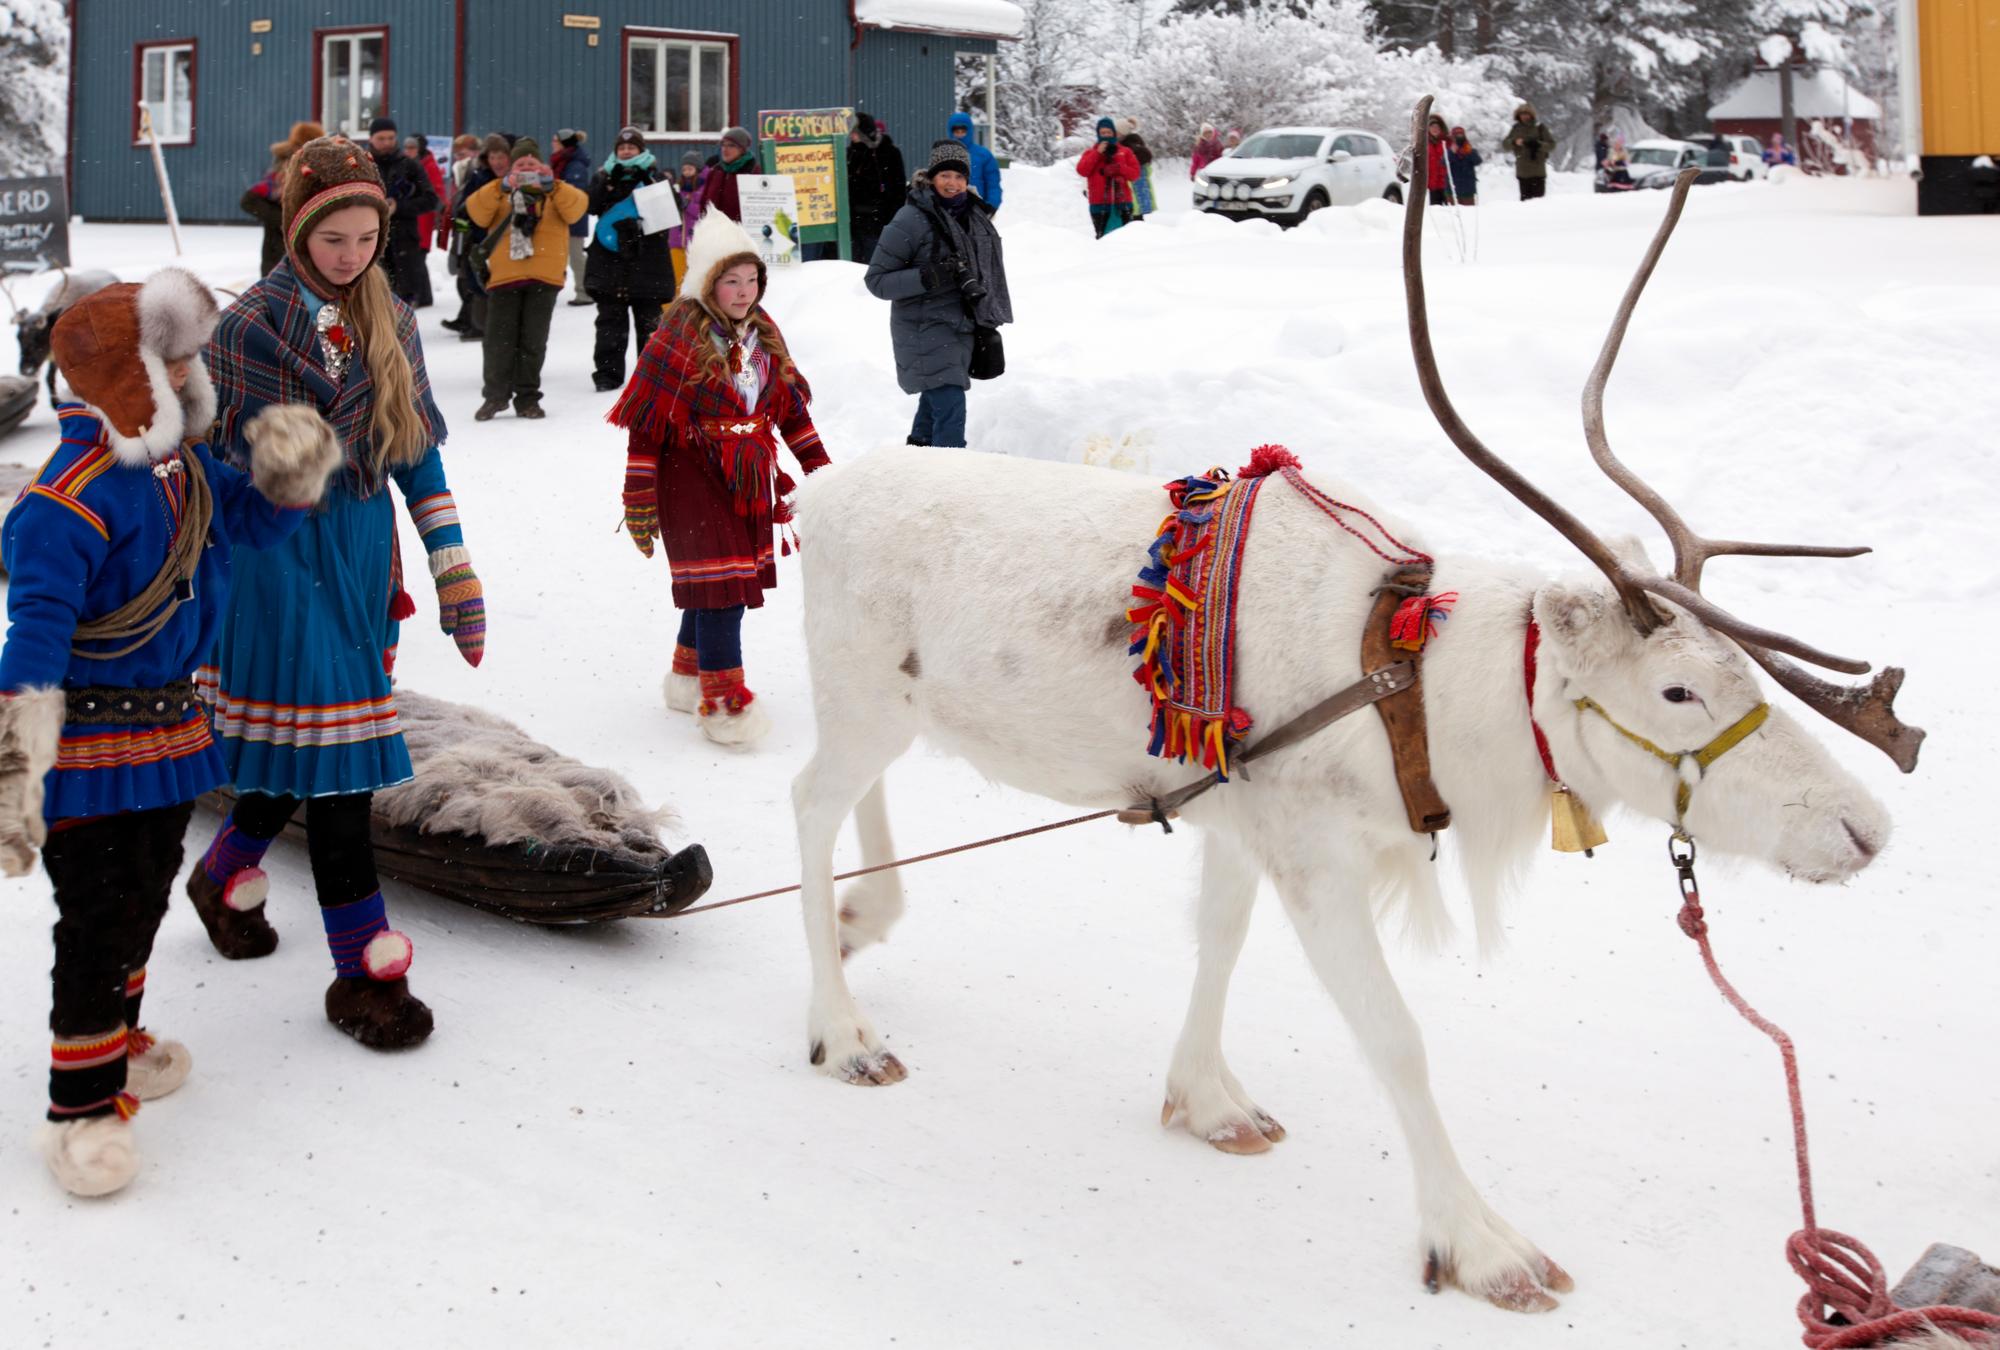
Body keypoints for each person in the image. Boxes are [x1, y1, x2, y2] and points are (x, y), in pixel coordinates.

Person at [0, 271, 340, 1197]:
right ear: (126, 374)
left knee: (142, 901)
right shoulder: (63, 502)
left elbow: (250, 527)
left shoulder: (177, 467)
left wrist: (288, 474)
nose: (193, 373)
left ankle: (123, 1043)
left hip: (170, 738)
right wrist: (13, 774)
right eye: (174, 358)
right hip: (86, 753)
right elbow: (30, 640)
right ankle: (81, 1115)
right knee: (97, 922)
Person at [190, 136, 486, 1053]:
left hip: (359, 557)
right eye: (333, 239)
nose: (352, 254)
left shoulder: (389, 313)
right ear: (298, 229)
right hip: (277, 560)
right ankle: (364, 974)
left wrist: (451, 561)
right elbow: (206, 462)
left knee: (308, 748)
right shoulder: (248, 328)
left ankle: (225, 871)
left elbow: (412, 447)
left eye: (367, 236)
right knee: (345, 765)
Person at [609, 211, 832, 747]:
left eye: (752, 279)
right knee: (722, 590)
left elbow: (790, 412)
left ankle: (688, 677)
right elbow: (646, 427)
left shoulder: (764, 333)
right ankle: (725, 705)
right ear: (708, 282)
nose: (744, 291)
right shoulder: (676, 337)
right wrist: (638, 494)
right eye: (732, 281)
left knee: (718, 585)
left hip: (749, 476)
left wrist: (822, 475)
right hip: (692, 476)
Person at [865, 139, 1012, 450]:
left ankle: (916, 459)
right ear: (931, 177)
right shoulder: (910, 219)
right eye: (945, 175)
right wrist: (928, 276)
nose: (953, 183)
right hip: (923, 328)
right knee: (950, 403)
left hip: (962, 325)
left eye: (959, 177)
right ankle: (949, 476)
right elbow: (877, 281)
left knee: (936, 403)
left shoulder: (975, 217)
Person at [463, 136, 589, 420]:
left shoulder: (556, 191)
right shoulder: (498, 191)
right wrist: (502, 186)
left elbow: (577, 209)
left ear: (543, 165)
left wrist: (552, 185)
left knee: (533, 341)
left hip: (544, 277)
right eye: (521, 164)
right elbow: (477, 213)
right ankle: (495, 396)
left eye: (532, 163)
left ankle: (528, 398)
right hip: (505, 275)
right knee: (498, 341)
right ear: (511, 168)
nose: (527, 167)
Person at [586, 126, 677, 392]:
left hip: (647, 263)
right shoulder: (604, 176)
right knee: (609, 324)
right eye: (622, 148)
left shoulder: (655, 177)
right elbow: (591, 206)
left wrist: (648, 184)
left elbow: (670, 214)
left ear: (641, 150)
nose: (626, 151)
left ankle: (652, 375)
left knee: (649, 325)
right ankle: (607, 374)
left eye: (631, 147)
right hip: (610, 263)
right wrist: (607, 184)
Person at [444, 133, 511, 341]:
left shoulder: (517, 179)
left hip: (505, 240)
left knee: (495, 282)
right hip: (478, 238)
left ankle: (485, 325)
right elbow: (465, 206)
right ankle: (475, 323)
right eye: (492, 157)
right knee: (472, 281)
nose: (496, 162)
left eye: (501, 157)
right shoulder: (479, 177)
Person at [364, 117, 439, 302]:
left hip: (405, 243)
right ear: (371, 139)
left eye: (391, 138)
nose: (387, 143)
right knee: (372, 299)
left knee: (403, 302)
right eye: (381, 138)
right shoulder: (361, 165)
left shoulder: (410, 165)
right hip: (369, 240)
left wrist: (399, 207)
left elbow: (431, 199)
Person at [244, 121, 323, 275]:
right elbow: (249, 201)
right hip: (277, 249)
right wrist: (283, 220)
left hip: (307, 248)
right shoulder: (280, 170)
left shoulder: (321, 168)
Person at [846, 111, 907, 265]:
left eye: (855, 131)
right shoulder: (850, 153)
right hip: (853, 223)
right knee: (850, 267)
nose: (851, 135)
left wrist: (891, 219)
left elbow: (898, 189)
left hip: (877, 222)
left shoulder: (888, 153)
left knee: (873, 264)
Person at [1077, 117, 1141, 238]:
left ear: (1114, 133)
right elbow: (1082, 170)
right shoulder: (1090, 152)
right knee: (1102, 239)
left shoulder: (1125, 152)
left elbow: (1135, 174)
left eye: (1108, 132)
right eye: (1103, 133)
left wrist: (1120, 168)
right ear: (1098, 134)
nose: (1106, 135)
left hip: (1123, 202)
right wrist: (1097, 153)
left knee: (1125, 238)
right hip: (1099, 203)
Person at [403, 134, 447, 308]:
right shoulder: (407, 164)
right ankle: (424, 296)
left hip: (423, 218)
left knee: (417, 258)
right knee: (416, 259)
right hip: (414, 217)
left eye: (412, 148)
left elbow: (437, 192)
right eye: (406, 148)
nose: (408, 151)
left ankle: (421, 296)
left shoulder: (427, 166)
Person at [552, 128, 595, 306]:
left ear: (563, 144)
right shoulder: (564, 162)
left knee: (576, 255)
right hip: (564, 218)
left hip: (573, 218)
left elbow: (573, 196)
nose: (552, 143)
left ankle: (585, 291)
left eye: (555, 140)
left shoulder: (574, 165)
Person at [689, 126, 763, 226]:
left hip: (740, 235)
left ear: (742, 149)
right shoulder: (715, 172)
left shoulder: (754, 172)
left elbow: (759, 210)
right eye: (723, 145)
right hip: (714, 234)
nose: (725, 149)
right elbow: (704, 204)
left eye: (731, 145)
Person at [946, 111, 1003, 212]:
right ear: (951, 132)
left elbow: (992, 184)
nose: (960, 134)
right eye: (956, 131)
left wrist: (991, 206)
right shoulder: (944, 154)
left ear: (969, 131)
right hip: (948, 210)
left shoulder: (983, 155)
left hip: (976, 209)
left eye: (963, 131)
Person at [668, 150, 704, 290]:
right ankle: (672, 309)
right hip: (676, 240)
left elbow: (703, 212)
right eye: (684, 169)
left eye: (690, 168)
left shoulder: (703, 188)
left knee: (696, 280)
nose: (686, 172)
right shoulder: (678, 187)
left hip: (695, 241)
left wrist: (688, 205)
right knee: (675, 279)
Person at [1117, 116, 1156, 220]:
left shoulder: (1129, 147)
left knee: (1134, 216)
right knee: (1136, 217)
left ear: (1122, 133)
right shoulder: (1136, 145)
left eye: (1117, 132)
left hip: (1132, 188)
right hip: (1135, 189)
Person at [1447, 126, 1481, 205]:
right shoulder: (1449, 149)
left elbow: (1478, 161)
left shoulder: (1469, 149)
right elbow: (1443, 162)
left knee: (1469, 213)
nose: (1459, 137)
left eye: (1461, 134)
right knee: (1452, 213)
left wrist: (1470, 152)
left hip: (1468, 188)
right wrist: (1452, 153)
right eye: (1457, 135)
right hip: (1452, 189)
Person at [1425, 113, 1451, 205]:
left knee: (1450, 210)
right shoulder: (1425, 143)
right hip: (1433, 184)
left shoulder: (1448, 142)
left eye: (1436, 127)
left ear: (1441, 128)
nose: (1434, 129)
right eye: (1432, 127)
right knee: (1436, 211)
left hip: (1447, 184)